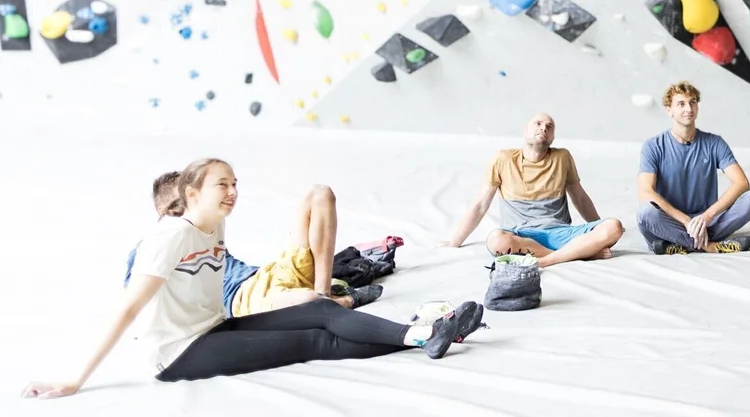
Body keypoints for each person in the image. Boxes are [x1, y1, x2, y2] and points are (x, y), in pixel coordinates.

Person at [22, 158, 481, 397]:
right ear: (191, 193)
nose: (234, 192)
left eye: (235, 183)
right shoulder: (165, 239)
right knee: (314, 341)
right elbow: (127, 309)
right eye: (223, 184)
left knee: (318, 309)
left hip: (213, 326)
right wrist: (73, 380)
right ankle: (425, 335)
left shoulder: (214, 226)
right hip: (177, 355)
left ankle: (424, 335)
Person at [127, 173, 382, 316]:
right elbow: (138, 302)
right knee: (301, 300)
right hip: (242, 299)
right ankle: (341, 302)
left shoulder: (207, 228)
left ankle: (324, 296)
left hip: (266, 273)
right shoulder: (149, 247)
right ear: (164, 210)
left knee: (320, 192)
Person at [440, 112, 625, 267]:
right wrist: (454, 242)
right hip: (521, 236)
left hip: (561, 233)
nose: (543, 128)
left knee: (613, 227)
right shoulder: (503, 159)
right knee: (496, 240)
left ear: (553, 136)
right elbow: (480, 205)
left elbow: (581, 199)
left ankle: (546, 259)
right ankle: (577, 254)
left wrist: (598, 230)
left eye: (549, 126)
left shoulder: (562, 157)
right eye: (538, 123)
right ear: (525, 131)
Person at [636, 82, 750, 254]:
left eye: (692, 102)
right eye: (681, 104)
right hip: (671, 220)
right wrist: (686, 221)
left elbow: (742, 183)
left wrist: (706, 216)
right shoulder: (653, 146)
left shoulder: (714, 143)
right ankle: (709, 246)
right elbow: (645, 192)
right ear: (668, 109)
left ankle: (677, 244)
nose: (689, 108)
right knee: (646, 212)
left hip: (706, 221)